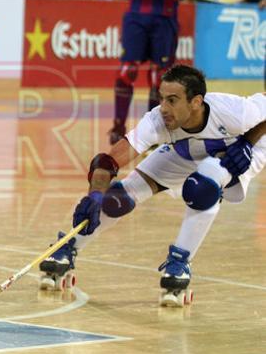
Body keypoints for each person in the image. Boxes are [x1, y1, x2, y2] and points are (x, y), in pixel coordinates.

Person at [39, 65, 266, 306]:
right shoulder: (158, 119)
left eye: (172, 100)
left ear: (196, 102)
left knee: (203, 188)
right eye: (162, 99)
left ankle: (180, 263)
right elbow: (108, 161)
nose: (164, 108)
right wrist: (95, 196)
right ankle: (68, 247)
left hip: (236, 151)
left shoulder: (235, 112)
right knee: (117, 199)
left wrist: (248, 141)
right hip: (185, 151)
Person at [108, 0, 201, 145]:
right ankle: (118, 127)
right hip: (136, 16)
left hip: (165, 18)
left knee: (159, 79)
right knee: (126, 72)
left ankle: (153, 131)